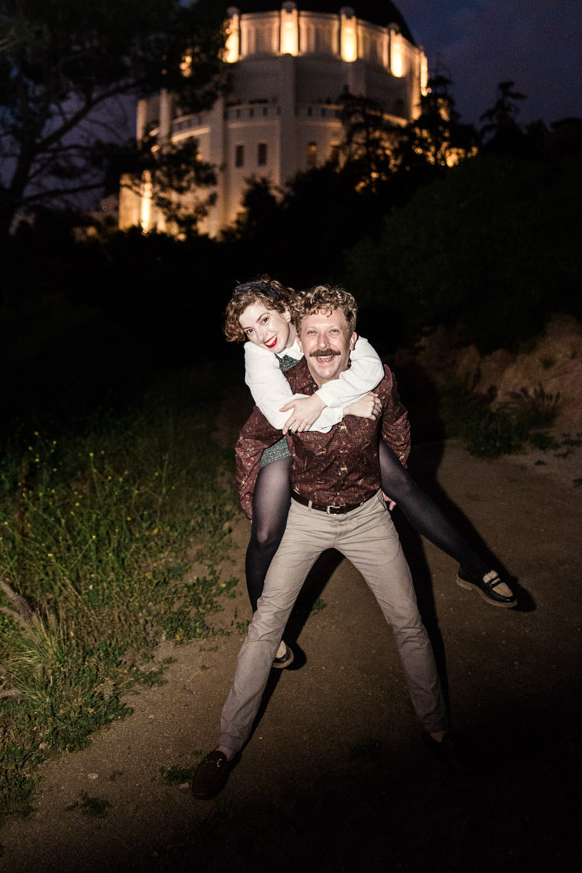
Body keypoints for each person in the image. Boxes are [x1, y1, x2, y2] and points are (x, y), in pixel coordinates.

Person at [193, 285, 474, 799]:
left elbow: (397, 424)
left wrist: (397, 474)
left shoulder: (368, 371)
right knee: (264, 626)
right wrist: (330, 407)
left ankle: (438, 730)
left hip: (367, 517)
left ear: (350, 340)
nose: (321, 344)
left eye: (333, 335)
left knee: (408, 620)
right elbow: (267, 427)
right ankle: (226, 745)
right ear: (299, 336)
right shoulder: (272, 365)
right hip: (304, 515)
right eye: (251, 329)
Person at [223, 277, 516, 669]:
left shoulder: (320, 326)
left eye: (265, 320)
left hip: (342, 433)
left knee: (403, 485)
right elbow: (283, 415)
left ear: (286, 310)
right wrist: (345, 407)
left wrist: (329, 399)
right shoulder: (257, 354)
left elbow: (373, 371)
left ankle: (476, 568)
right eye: (249, 329)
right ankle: (264, 627)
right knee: (264, 532)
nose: (261, 334)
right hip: (287, 436)